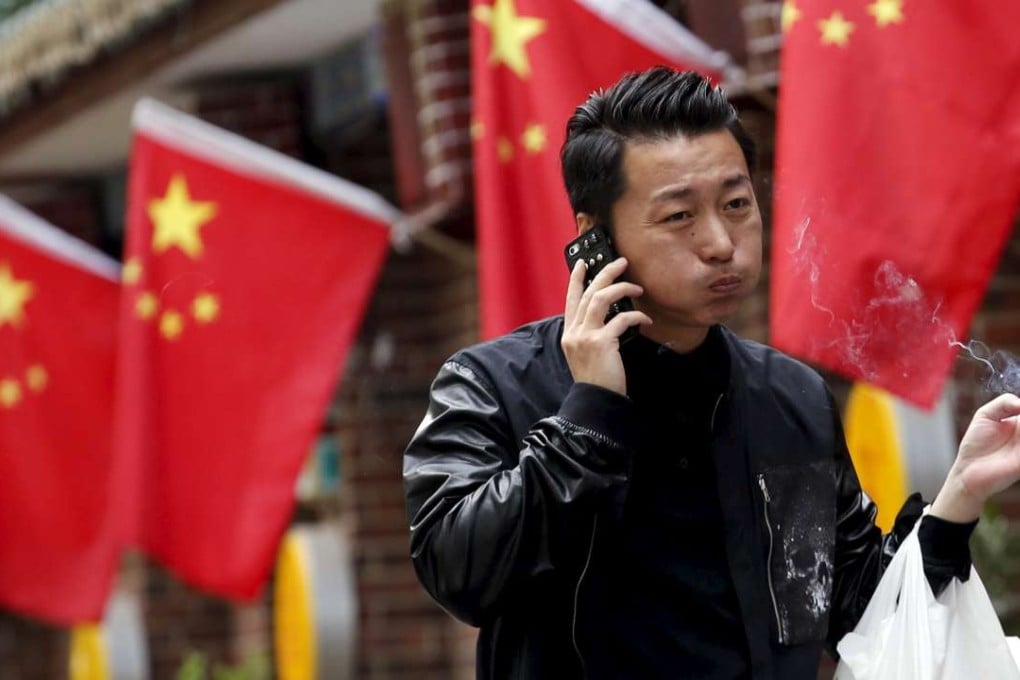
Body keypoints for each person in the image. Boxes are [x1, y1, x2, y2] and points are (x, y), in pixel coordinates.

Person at [402, 66, 1020, 679]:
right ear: (596, 239)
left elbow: (857, 607)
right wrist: (587, 415)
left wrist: (958, 495)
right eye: (679, 217)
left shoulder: (789, 398)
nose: (721, 242)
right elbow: (460, 575)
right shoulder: (494, 383)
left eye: (736, 205)